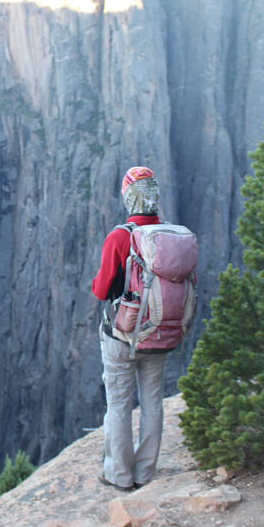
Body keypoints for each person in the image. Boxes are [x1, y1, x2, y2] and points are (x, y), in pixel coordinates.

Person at [91, 166, 167, 492]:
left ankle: (120, 476)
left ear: (128, 197)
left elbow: (101, 289)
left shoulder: (121, 236)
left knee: (120, 404)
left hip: (123, 335)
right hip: (159, 332)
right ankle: (145, 472)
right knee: (152, 401)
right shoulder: (168, 233)